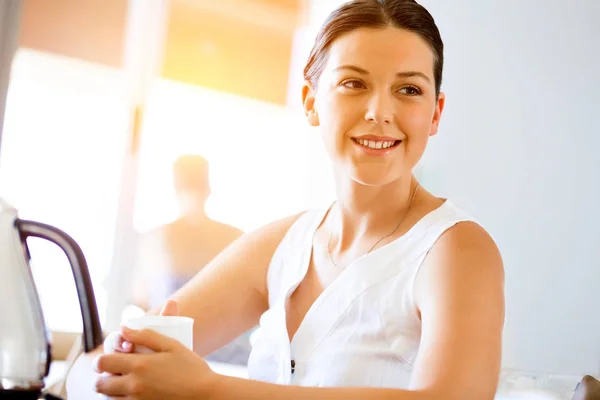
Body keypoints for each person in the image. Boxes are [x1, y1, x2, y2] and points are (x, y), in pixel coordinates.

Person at [67, 1, 505, 399]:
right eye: (354, 83)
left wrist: (209, 389)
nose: (380, 112)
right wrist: (122, 364)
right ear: (310, 102)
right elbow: (101, 370)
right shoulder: (283, 244)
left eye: (408, 90)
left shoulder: (457, 250)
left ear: (435, 113)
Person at [131, 154, 251, 364]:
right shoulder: (156, 239)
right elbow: (141, 299)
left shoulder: (234, 238)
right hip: (189, 355)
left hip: (216, 357)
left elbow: (141, 299)